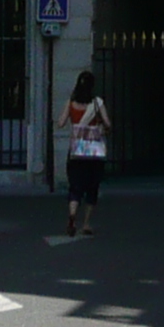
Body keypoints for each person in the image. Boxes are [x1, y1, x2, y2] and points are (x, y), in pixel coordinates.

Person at [62, 69, 111, 236]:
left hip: (76, 150)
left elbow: (60, 122)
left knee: (75, 186)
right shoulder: (97, 102)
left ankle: (72, 215)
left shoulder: (71, 102)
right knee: (92, 187)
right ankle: (86, 223)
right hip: (93, 152)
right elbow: (108, 123)